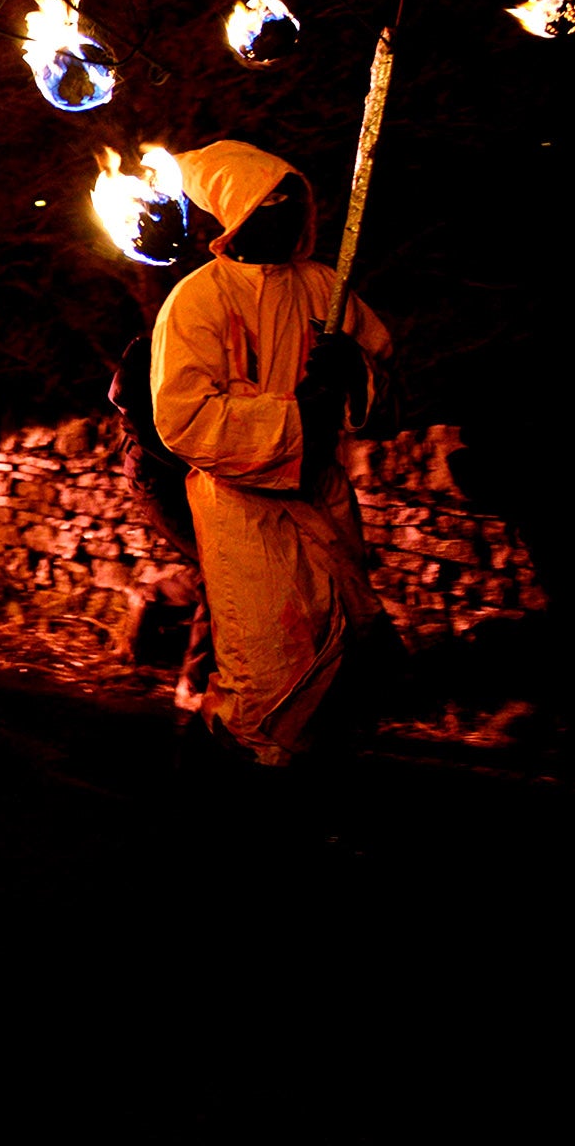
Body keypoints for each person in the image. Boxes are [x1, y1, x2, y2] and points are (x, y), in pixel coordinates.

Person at [151, 140, 393, 770]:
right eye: (269, 203)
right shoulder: (198, 300)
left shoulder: (324, 289)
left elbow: (385, 379)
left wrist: (354, 372)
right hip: (244, 511)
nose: (285, 215)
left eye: (294, 201)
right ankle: (237, 778)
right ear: (238, 214)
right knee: (265, 659)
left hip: (322, 499)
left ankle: (311, 784)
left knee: (335, 641)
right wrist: (290, 418)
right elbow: (182, 417)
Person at [108, 334, 213, 711]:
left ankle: (153, 597)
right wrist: (165, 446)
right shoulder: (160, 342)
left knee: (221, 566)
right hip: (155, 478)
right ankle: (193, 683)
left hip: (186, 474)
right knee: (220, 573)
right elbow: (120, 395)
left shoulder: (215, 340)